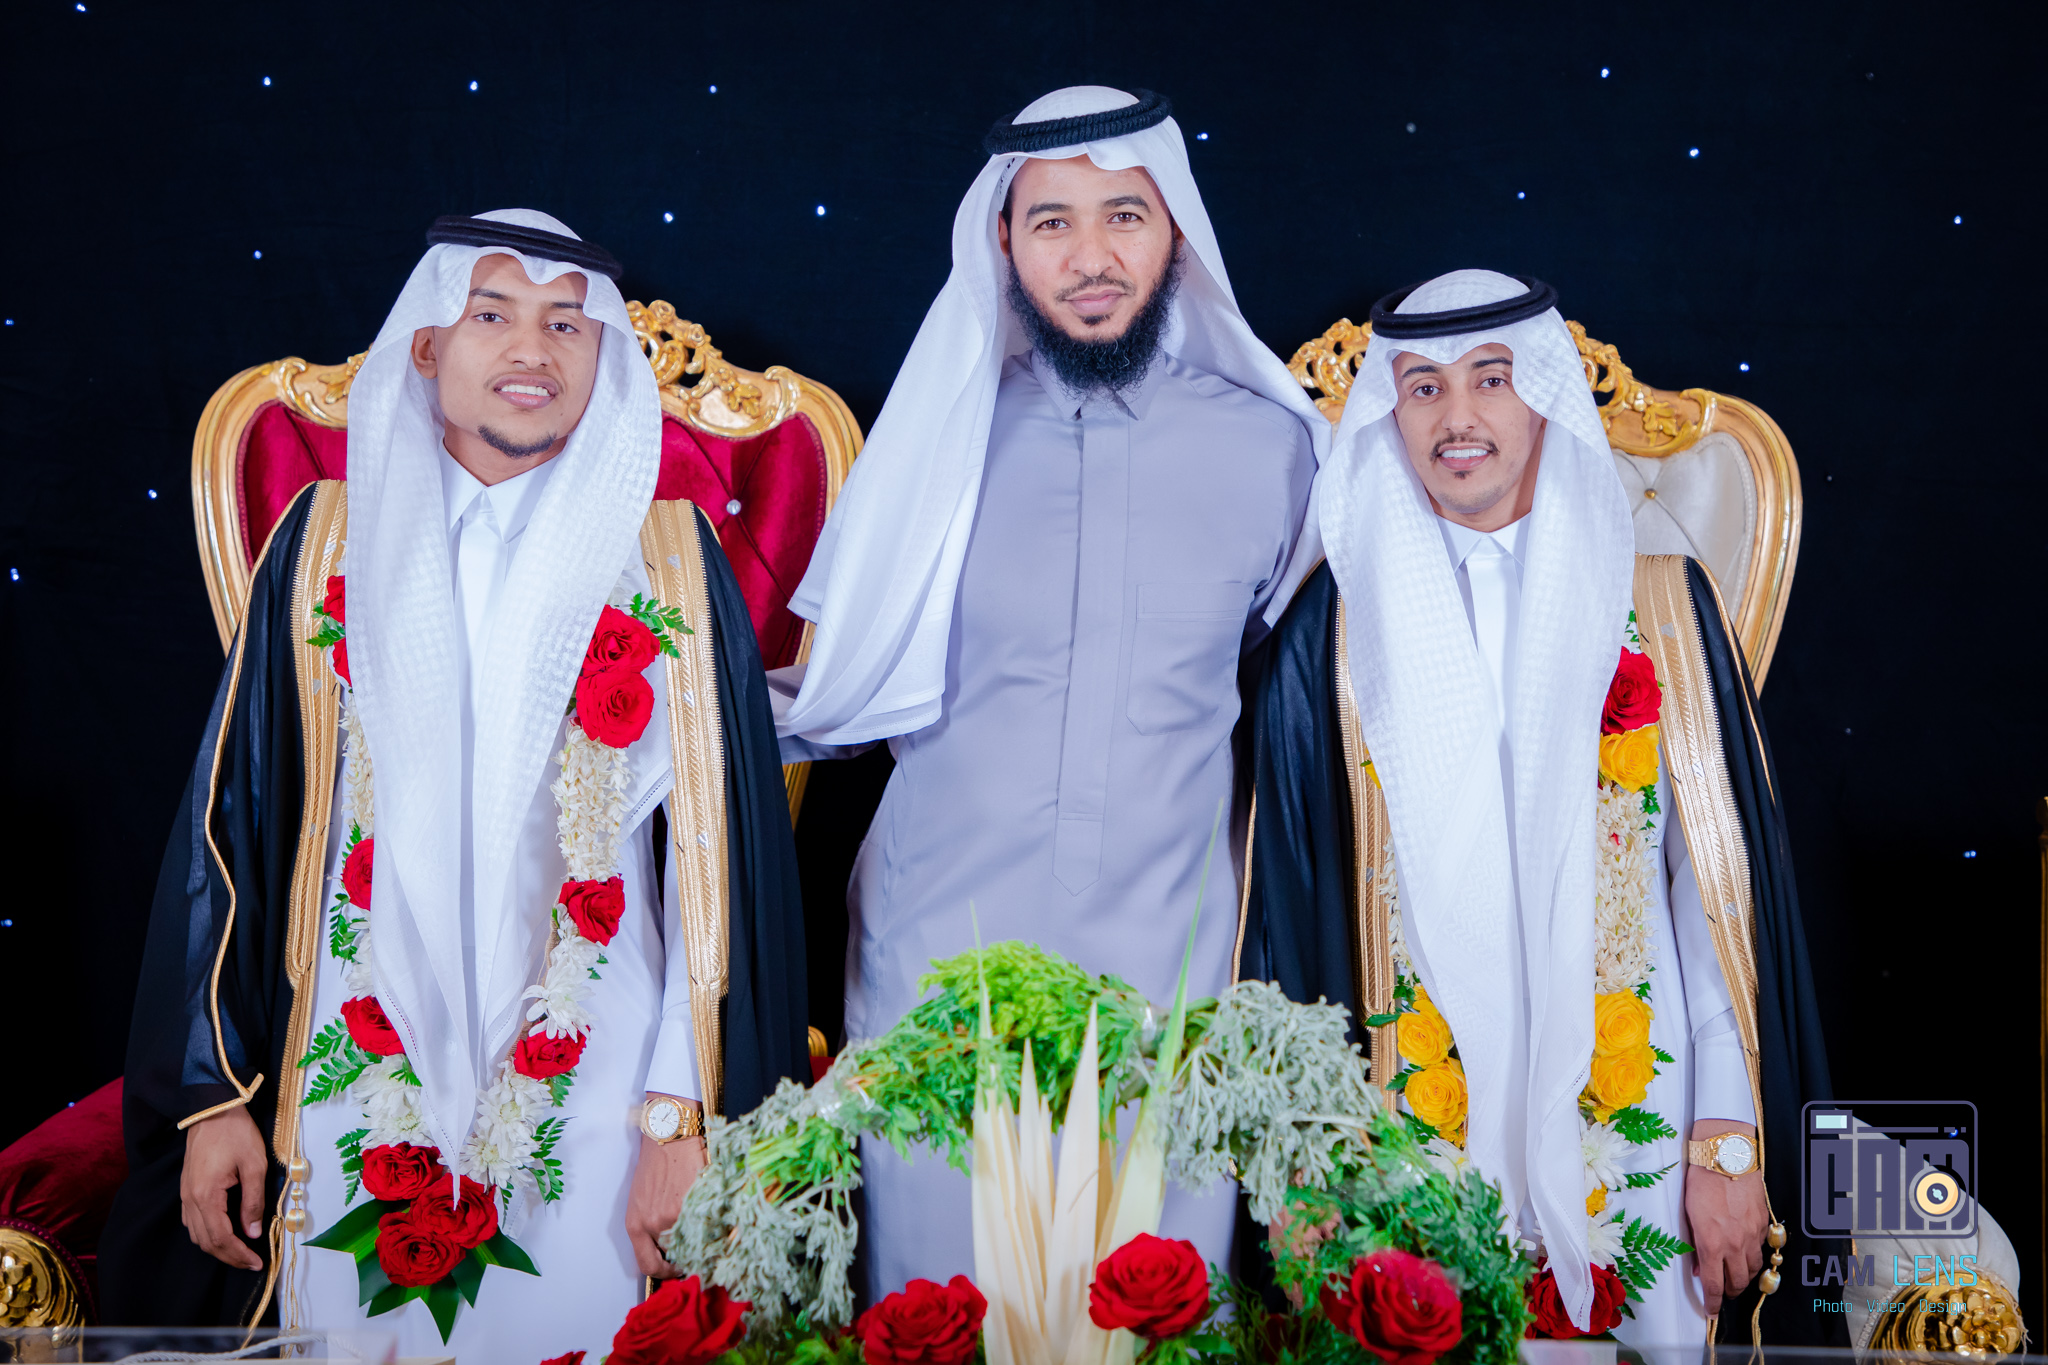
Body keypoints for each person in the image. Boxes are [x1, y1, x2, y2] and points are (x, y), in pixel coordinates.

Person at [101, 210, 809, 1357]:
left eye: (565, 324)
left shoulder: (669, 562)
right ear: (428, 346)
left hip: (598, 1084)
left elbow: (716, 868)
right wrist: (214, 1096)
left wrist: (678, 1117)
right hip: (349, 1057)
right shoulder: (323, 548)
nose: (532, 349)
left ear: (601, 355)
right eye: (493, 315)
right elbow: (230, 824)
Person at [774, 87, 1325, 1298]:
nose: (1090, 258)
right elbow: (835, 686)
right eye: (1051, 222)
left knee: (1155, 1315)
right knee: (936, 1314)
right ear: (1002, 244)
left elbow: (1301, 706)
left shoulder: (1277, 453)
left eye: (1123, 216)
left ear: (1174, 233)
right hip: (937, 969)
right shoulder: (935, 444)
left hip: (1172, 981)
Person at [1241, 271, 1834, 1344]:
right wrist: (1310, 1168)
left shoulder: (1661, 600)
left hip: (1646, 1124)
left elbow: (1712, 902)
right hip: (1407, 1123)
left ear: (1547, 396)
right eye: (1422, 387)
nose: (1457, 417)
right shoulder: (1331, 636)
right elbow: (1283, 925)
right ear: (1389, 414)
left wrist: (1724, 1142)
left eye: (1492, 378)